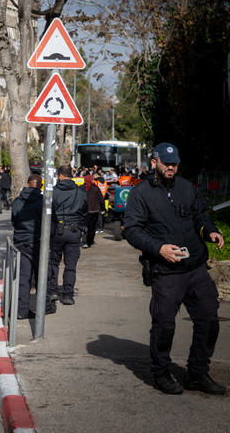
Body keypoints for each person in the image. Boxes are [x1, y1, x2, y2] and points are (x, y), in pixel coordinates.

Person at [123, 143, 225, 396]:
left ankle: (197, 373)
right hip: (166, 270)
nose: (171, 167)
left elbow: (200, 215)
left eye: (175, 163)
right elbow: (132, 230)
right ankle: (161, 373)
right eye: (166, 163)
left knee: (209, 320)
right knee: (164, 325)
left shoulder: (186, 187)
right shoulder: (141, 193)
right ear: (154, 162)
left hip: (195, 267)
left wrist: (210, 231)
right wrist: (158, 248)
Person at [12, 174, 56, 319]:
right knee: (42, 276)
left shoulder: (17, 201)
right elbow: (51, 224)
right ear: (41, 185)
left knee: (24, 277)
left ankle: (21, 310)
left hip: (22, 242)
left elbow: (14, 220)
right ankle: (45, 306)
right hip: (38, 242)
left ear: (28, 184)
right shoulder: (44, 202)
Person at [48, 165, 87, 305]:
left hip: (56, 231)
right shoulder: (80, 192)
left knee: (53, 262)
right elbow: (85, 210)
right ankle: (68, 295)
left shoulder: (52, 192)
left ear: (59, 175)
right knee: (70, 265)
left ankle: (52, 291)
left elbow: (48, 211)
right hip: (74, 231)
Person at [83, 174, 102, 248]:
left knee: (85, 226)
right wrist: (103, 208)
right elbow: (100, 198)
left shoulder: (82, 188)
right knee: (92, 227)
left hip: (85, 210)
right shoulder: (95, 188)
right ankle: (90, 241)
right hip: (94, 210)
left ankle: (85, 241)